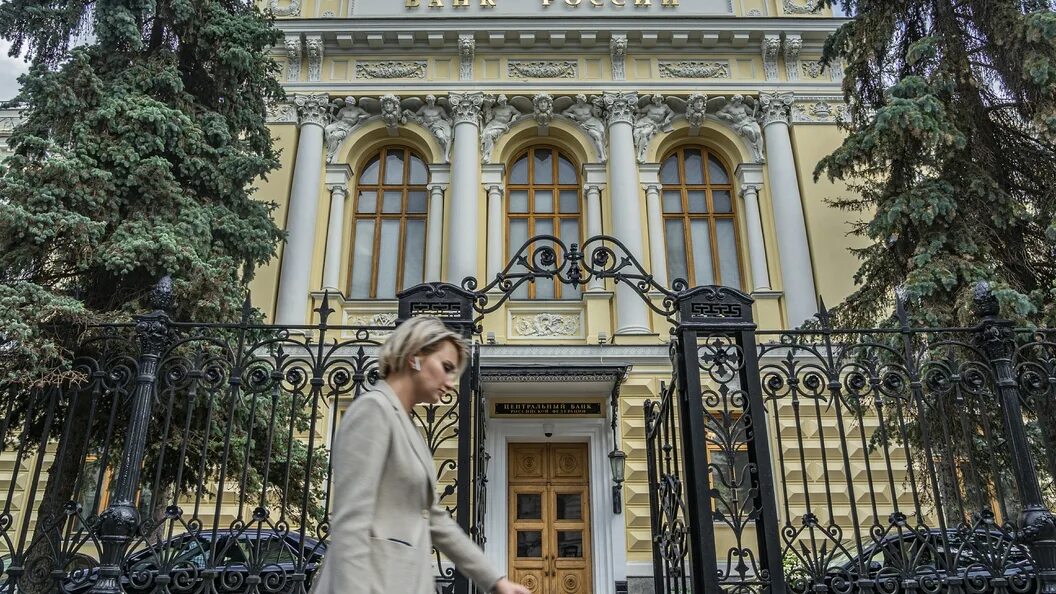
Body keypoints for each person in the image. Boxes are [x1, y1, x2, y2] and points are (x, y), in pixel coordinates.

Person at [310, 317, 530, 594]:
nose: (451, 383)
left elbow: (435, 519)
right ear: (415, 357)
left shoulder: (408, 427)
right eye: (446, 368)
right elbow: (351, 524)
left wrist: (495, 581)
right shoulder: (373, 411)